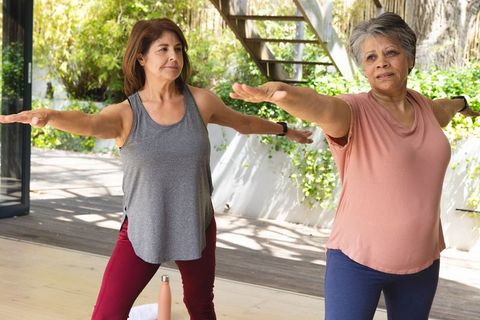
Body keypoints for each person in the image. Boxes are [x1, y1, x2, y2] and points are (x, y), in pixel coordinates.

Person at [0, 18, 312, 320]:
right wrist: (49, 116)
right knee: (108, 313)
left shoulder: (201, 102)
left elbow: (242, 123)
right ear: (141, 58)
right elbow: (90, 124)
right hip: (142, 229)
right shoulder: (126, 114)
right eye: (163, 49)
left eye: (178, 49)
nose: (173, 57)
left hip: (195, 224)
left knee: (201, 307)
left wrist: (284, 128)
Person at [230, 12, 479, 320]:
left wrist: (464, 105)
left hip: (422, 263)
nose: (381, 63)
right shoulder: (353, 111)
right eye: (370, 57)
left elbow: (449, 105)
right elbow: (320, 105)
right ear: (363, 68)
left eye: (391, 53)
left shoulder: (425, 107)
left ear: (409, 58)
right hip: (356, 263)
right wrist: (283, 94)